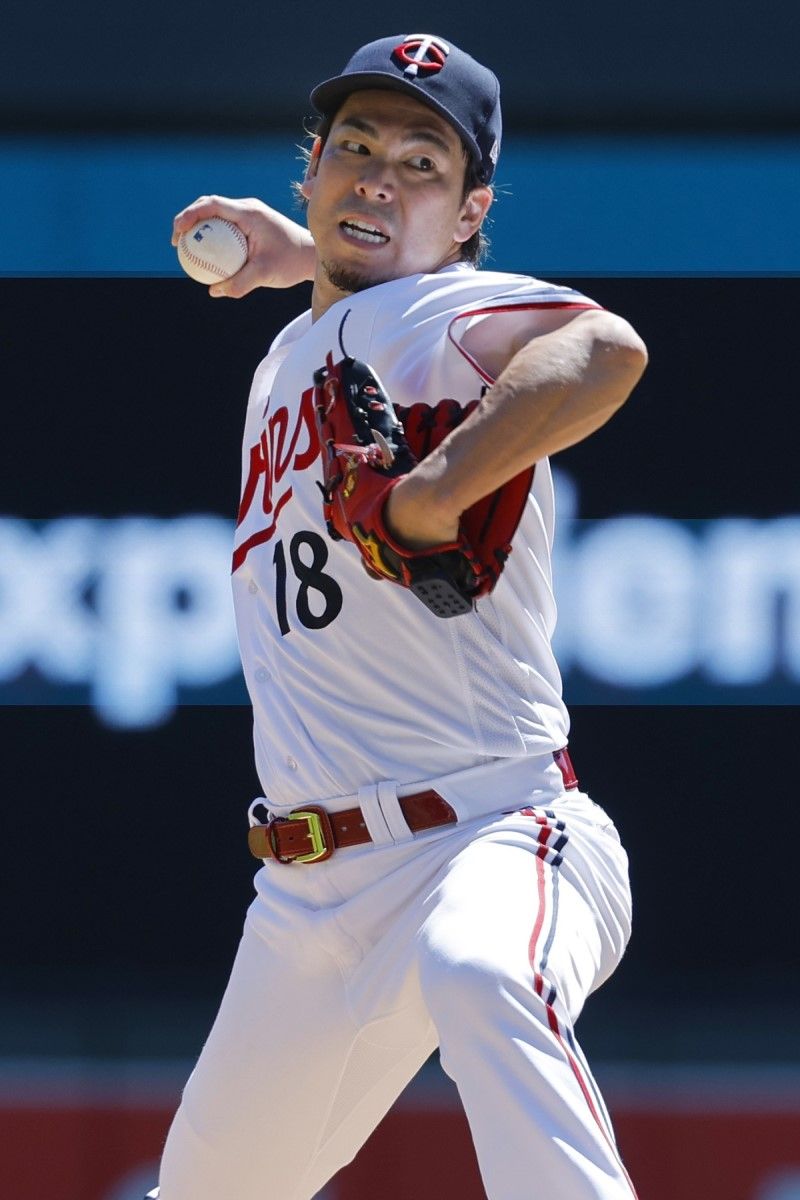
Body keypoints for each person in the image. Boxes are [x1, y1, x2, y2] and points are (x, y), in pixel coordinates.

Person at [151, 32, 647, 1200]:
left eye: (420, 163)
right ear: (307, 171)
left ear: (472, 213)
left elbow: (600, 347)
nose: (376, 174)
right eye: (353, 148)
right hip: (307, 896)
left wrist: (429, 493)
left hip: (493, 828)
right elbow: (353, 305)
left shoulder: (453, 310)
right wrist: (300, 265)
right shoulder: (298, 341)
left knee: (482, 974)